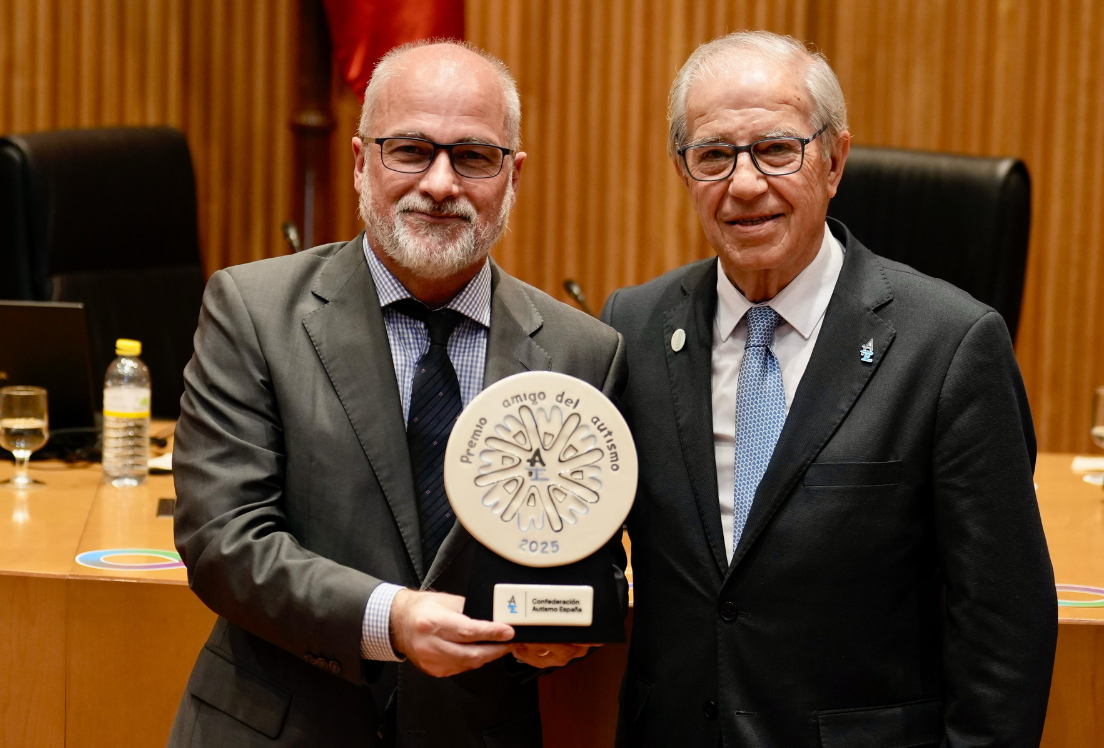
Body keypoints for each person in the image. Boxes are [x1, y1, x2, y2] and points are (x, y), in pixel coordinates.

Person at [602, 30, 1056, 747]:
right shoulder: (634, 325)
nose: (744, 184)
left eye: (777, 150)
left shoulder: (949, 344)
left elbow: (1005, 623)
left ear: (835, 160)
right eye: (714, 155)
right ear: (685, 172)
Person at [168, 40, 625, 748]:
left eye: (473, 156)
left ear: (513, 175)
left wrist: (564, 633)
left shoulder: (582, 352)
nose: (440, 183)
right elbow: (223, 542)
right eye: (409, 150)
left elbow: (589, 556)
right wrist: (392, 620)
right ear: (360, 162)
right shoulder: (252, 311)